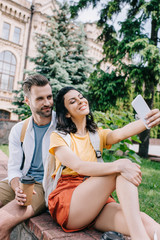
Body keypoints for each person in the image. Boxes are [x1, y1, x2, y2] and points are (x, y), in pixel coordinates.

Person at [48, 86, 160, 240]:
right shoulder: (59, 136)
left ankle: (140, 235)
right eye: (73, 101)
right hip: (71, 203)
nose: (80, 101)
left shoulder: (96, 134)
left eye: (81, 97)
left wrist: (148, 121)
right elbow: (78, 166)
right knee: (121, 168)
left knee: (146, 222)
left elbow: (120, 133)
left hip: (96, 205)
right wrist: (119, 165)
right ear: (66, 113)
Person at [0, 74, 56, 240]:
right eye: (40, 98)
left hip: (43, 187)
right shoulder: (19, 129)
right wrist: (17, 187)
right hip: (20, 182)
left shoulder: (62, 125)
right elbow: (14, 168)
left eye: (49, 97)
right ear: (27, 101)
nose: (47, 103)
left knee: (1, 224)